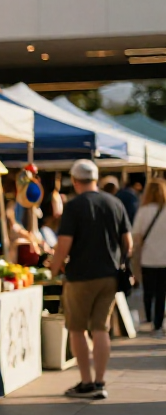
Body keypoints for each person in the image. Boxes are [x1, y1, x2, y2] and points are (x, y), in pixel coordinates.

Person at [49, 159, 131, 400]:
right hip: (109, 275)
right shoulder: (115, 203)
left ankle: (86, 382)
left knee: (77, 329)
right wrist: (119, 258)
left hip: (80, 276)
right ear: (96, 178)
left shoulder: (74, 207)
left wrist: (54, 268)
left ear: (75, 181)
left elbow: (64, 244)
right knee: (101, 328)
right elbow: (129, 242)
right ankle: (100, 381)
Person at [132, 179, 166, 337]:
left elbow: (136, 236)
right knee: (162, 292)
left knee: (148, 289)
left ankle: (149, 318)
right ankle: (158, 322)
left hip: (148, 257)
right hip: (164, 258)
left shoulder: (143, 211)